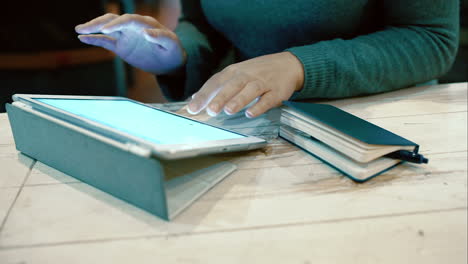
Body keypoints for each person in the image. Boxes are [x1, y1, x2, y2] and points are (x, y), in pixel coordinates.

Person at [76, 0, 459, 118]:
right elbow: (204, 22)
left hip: (377, 119)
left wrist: (299, 66)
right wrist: (176, 56)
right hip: (254, 122)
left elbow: (431, 38)